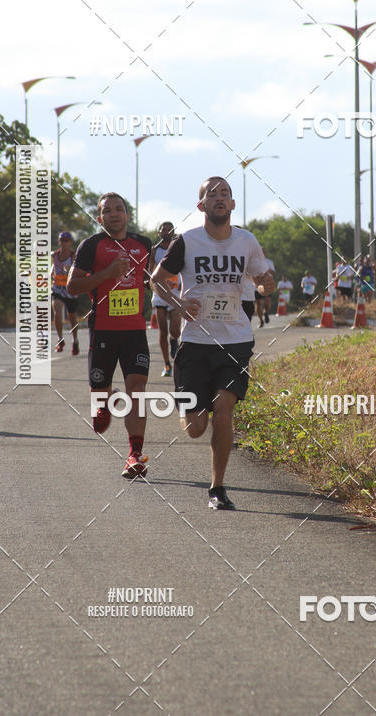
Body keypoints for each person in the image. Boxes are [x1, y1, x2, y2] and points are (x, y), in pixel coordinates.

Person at [151, 176, 274, 510]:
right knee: (195, 427)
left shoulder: (247, 241)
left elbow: (263, 284)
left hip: (235, 340)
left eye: (225, 194)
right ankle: (189, 406)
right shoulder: (187, 242)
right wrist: (178, 305)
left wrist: (266, 285)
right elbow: (156, 281)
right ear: (201, 205)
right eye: (212, 194)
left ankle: (217, 488)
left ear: (233, 204)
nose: (219, 198)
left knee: (224, 409)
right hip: (195, 340)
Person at [67, 193, 152, 479]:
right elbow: (73, 287)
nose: (114, 214)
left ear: (127, 214)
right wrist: (108, 273)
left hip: (135, 332)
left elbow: (156, 280)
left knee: (138, 390)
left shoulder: (144, 245)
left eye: (119, 209)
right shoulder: (91, 246)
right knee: (100, 419)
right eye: (107, 211)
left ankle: (134, 454)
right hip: (103, 330)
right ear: (100, 217)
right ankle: (106, 399)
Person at [151, 221, 181, 377]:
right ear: (159, 233)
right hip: (160, 294)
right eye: (164, 229)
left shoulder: (178, 246)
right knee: (162, 330)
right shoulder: (154, 250)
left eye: (170, 229)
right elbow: (150, 273)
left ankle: (174, 340)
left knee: (175, 329)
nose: (167, 232)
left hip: (175, 292)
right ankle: (167, 364)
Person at [51, 231, 80, 355]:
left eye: (66, 240)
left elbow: (79, 271)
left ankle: (75, 340)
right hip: (57, 288)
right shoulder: (54, 255)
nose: (64, 243)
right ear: (59, 242)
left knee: (72, 317)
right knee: (57, 311)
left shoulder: (74, 256)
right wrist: (51, 275)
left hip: (70, 290)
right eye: (62, 240)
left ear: (71, 242)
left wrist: (70, 271)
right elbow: (53, 267)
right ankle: (60, 339)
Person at [255, 247, 275, 327]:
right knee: (258, 303)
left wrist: (268, 272)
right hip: (256, 285)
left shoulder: (269, 262)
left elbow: (273, 272)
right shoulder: (254, 262)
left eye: (264, 252)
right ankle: (260, 320)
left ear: (266, 253)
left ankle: (266, 312)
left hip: (267, 285)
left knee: (267, 301)